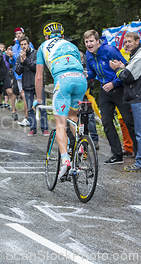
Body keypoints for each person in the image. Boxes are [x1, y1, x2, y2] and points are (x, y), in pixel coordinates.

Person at [34, 22, 87, 179]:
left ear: (46, 37)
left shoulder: (43, 46)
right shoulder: (72, 46)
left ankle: (65, 161)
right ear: (62, 36)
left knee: (60, 124)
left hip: (63, 81)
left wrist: (38, 99)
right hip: (80, 80)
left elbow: (38, 76)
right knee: (72, 116)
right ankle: (80, 146)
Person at [84, 29, 137, 165]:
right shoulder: (88, 55)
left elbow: (125, 67)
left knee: (128, 121)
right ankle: (117, 154)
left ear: (97, 41)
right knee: (106, 122)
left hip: (119, 88)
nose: (89, 44)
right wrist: (85, 75)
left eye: (91, 41)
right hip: (104, 90)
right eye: (86, 42)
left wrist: (114, 83)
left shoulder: (109, 51)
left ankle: (138, 151)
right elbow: (92, 71)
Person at [109, 32, 141, 172]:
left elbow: (127, 76)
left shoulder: (140, 56)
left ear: (137, 41)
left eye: (129, 41)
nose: (127, 44)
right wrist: (123, 66)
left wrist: (117, 69)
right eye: (125, 42)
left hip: (140, 97)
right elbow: (130, 71)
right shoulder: (138, 55)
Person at [15, 36, 49, 136]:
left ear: (28, 44)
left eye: (25, 44)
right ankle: (33, 128)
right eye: (21, 45)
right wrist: (21, 61)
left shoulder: (36, 54)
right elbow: (18, 71)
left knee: (42, 106)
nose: (23, 46)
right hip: (27, 85)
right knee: (29, 108)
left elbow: (35, 68)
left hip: (37, 84)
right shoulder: (19, 56)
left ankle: (44, 129)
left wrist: (25, 60)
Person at [11, 27, 34, 127]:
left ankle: (27, 118)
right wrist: (11, 57)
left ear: (23, 34)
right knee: (24, 95)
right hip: (18, 75)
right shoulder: (14, 47)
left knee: (26, 96)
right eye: (17, 34)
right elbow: (13, 63)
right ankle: (27, 117)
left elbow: (31, 57)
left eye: (20, 33)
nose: (18, 35)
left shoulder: (28, 44)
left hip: (28, 75)